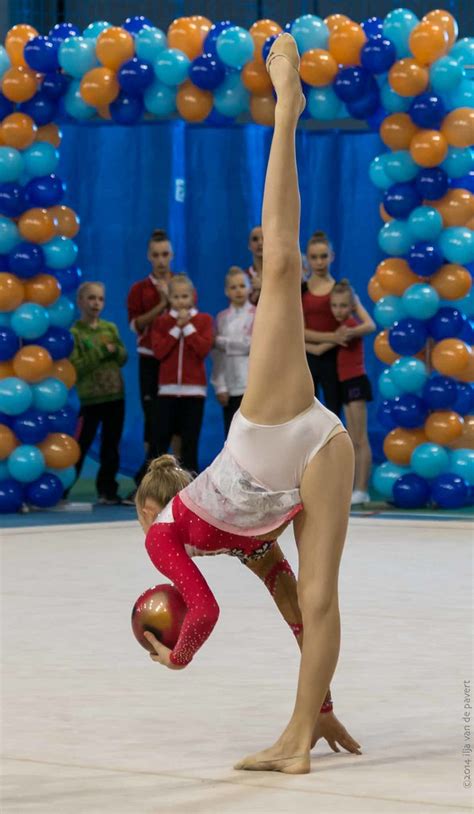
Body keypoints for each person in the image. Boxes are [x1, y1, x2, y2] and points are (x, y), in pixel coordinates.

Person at [137, 34, 360, 774]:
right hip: (307, 452)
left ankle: (287, 109)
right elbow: (293, 607)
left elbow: (200, 612)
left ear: (153, 506)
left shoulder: (168, 532)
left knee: (280, 264)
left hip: (271, 433)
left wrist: (175, 657)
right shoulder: (242, 542)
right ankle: (302, 733)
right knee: (319, 598)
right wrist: (320, 703)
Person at [307, 280, 375, 504]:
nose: (338, 310)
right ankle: (357, 487)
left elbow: (370, 326)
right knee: (352, 438)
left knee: (359, 438)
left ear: (352, 306)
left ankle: (362, 488)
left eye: (343, 306)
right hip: (345, 382)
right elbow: (319, 348)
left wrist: (351, 327)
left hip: (355, 381)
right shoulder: (341, 328)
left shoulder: (349, 327)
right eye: (334, 306)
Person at [70, 282, 127, 504]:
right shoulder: (75, 333)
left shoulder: (109, 328)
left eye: (100, 299)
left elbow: (122, 357)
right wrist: (103, 351)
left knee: (111, 445)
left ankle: (108, 491)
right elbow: (77, 366)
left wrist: (116, 351)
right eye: (91, 298)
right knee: (81, 444)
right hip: (90, 399)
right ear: (80, 302)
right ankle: (63, 490)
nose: (96, 303)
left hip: (115, 396)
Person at [126, 229, 174, 491]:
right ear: (149, 257)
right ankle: (146, 477)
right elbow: (136, 324)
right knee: (152, 417)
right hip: (149, 359)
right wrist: (162, 303)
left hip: (174, 360)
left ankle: (168, 476)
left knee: (173, 419)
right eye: (156, 255)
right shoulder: (140, 289)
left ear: (172, 255)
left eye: (165, 254)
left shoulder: (181, 282)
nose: (161, 260)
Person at [151, 274, 213, 473]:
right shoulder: (161, 322)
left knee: (190, 441)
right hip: (167, 391)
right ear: (169, 298)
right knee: (160, 439)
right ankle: (153, 484)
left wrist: (187, 326)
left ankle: (190, 485)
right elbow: (159, 351)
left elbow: (203, 349)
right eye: (176, 297)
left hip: (194, 392)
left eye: (185, 296)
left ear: (193, 297)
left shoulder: (203, 320)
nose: (181, 301)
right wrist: (176, 328)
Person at [211, 266, 256, 436]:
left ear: (249, 288)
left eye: (242, 286)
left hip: (250, 385)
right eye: (233, 287)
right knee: (231, 434)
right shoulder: (221, 318)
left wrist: (222, 342)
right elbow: (217, 355)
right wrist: (220, 386)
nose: (238, 291)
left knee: (251, 433)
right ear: (226, 291)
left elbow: (251, 344)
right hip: (229, 387)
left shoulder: (256, 314)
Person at [245, 225, 263, 305]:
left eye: (264, 238)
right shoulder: (245, 277)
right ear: (249, 245)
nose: (260, 243)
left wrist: (264, 287)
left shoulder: (280, 273)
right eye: (255, 239)